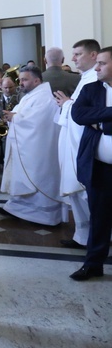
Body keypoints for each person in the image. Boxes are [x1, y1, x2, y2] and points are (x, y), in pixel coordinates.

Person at [0, 66, 64, 226]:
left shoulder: (44, 97)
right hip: (29, 145)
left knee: (37, 177)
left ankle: (45, 216)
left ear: (36, 80)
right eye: (20, 79)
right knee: (25, 177)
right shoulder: (33, 95)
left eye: (24, 79)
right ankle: (17, 208)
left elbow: (37, 122)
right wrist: (13, 117)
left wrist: (16, 118)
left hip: (38, 149)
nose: (20, 83)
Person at [69, 46, 112, 280]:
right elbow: (78, 115)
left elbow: (91, 118)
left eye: (102, 63)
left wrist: (101, 121)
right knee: (99, 217)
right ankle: (93, 263)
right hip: (100, 167)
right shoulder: (91, 88)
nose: (97, 67)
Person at [54, 39, 100, 249]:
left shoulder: (95, 79)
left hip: (83, 144)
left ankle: (96, 237)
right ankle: (82, 236)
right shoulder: (84, 78)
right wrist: (68, 104)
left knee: (86, 193)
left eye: (78, 54)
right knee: (78, 195)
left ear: (93, 55)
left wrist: (67, 104)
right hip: (73, 142)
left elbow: (88, 113)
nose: (73, 59)